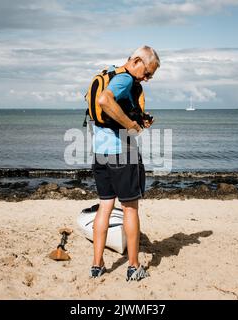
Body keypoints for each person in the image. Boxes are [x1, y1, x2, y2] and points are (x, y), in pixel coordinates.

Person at [89, 46, 160, 281]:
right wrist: (130, 126)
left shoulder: (109, 72)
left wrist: (138, 119)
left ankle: (96, 266)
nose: (147, 79)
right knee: (130, 208)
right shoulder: (125, 80)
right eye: (147, 72)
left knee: (105, 207)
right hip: (122, 153)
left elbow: (110, 108)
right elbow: (104, 100)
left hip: (100, 152)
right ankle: (133, 267)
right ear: (137, 60)